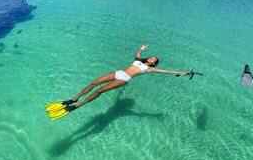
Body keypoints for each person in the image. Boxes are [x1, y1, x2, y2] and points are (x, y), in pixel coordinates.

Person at [46, 45, 191, 120]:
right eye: (152, 57)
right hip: (118, 72)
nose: (152, 58)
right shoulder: (139, 60)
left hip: (124, 79)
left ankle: (77, 105)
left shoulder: (149, 69)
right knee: (93, 83)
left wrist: (182, 73)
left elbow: (166, 71)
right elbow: (137, 55)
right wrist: (141, 49)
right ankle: (73, 99)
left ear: (153, 64)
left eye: (154, 60)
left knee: (99, 91)